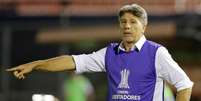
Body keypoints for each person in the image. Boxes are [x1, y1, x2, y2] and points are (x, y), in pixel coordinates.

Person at [7, 4, 193, 101]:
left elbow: (184, 84)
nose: (127, 26)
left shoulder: (156, 53)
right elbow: (72, 61)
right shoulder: (109, 53)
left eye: (133, 22)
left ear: (144, 26)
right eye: (123, 22)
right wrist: (35, 65)